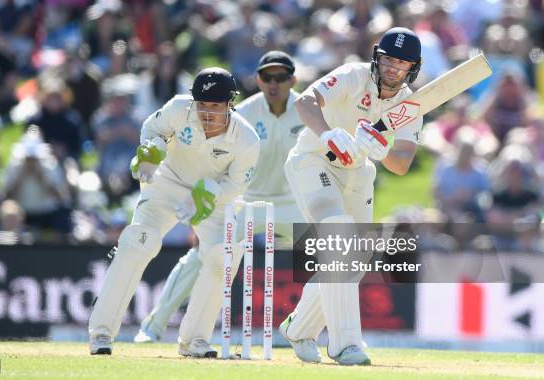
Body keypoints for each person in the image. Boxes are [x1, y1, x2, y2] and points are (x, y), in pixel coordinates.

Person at [133, 51, 315, 359]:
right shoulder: (241, 112)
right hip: (242, 198)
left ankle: (335, 334)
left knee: (333, 252)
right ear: (258, 80)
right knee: (205, 255)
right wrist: (205, 207)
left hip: (290, 202)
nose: (273, 83)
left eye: (280, 77)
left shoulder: (307, 110)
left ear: (292, 80)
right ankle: (153, 324)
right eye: (267, 77)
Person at [88, 67, 260, 357]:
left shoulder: (247, 138)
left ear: (231, 103)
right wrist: (151, 151)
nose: (207, 113)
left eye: (215, 106)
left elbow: (235, 185)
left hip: (212, 195)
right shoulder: (179, 108)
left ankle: (194, 340)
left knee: (223, 254)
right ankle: (101, 334)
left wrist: (207, 194)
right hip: (166, 185)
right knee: (138, 241)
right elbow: (151, 129)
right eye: (202, 105)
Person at [280, 27, 424, 365]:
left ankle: (298, 328)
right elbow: (305, 101)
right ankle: (345, 344)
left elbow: (402, 164)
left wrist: (381, 149)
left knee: (353, 260)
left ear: (412, 68)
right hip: (314, 160)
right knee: (339, 235)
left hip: (359, 172)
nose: (392, 68)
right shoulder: (353, 75)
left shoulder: (409, 103)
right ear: (377, 57)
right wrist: (329, 134)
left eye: (401, 64)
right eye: (388, 59)